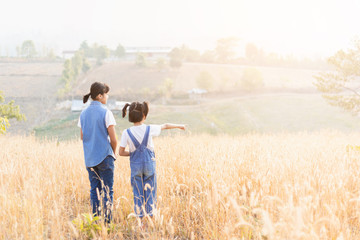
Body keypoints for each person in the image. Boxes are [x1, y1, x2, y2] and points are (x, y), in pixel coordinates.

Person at [119, 101, 185, 219]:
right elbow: (165, 125)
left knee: (138, 193)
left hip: (136, 167)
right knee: (150, 191)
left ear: (130, 116)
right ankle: (150, 217)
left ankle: (140, 220)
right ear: (144, 116)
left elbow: (121, 152)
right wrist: (179, 125)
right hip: (149, 165)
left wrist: (133, 154)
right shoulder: (150, 129)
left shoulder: (126, 132)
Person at [78, 82, 117, 223]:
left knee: (95, 190)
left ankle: (96, 221)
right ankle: (107, 224)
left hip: (90, 158)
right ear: (100, 96)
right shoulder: (106, 112)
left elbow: (83, 137)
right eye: (106, 94)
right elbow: (113, 139)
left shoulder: (83, 113)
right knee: (107, 191)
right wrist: (112, 154)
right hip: (105, 157)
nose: (107, 97)